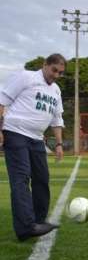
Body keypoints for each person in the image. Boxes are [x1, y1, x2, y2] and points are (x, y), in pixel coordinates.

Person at [0, 53, 66, 241]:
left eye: (60, 73)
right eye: (54, 70)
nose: (56, 75)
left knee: (42, 179)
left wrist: (59, 143)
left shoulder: (56, 90)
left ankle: (38, 221)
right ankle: (25, 227)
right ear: (45, 65)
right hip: (15, 133)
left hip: (37, 139)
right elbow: (2, 101)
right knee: (21, 178)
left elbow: (56, 118)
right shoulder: (26, 77)